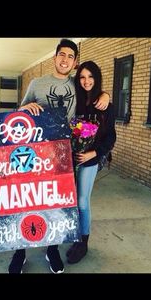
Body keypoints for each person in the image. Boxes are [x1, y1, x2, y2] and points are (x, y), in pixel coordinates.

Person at [8, 39, 110, 274]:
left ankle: (51, 249)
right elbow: (17, 115)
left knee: (56, 202)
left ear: (74, 63)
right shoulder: (37, 83)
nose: (65, 59)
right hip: (35, 154)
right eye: (61, 55)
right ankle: (20, 252)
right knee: (28, 201)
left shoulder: (77, 84)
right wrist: (24, 109)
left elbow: (91, 86)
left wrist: (104, 95)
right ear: (55, 58)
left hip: (63, 155)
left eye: (70, 56)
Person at [66, 60, 116, 264]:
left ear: (97, 78)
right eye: (82, 77)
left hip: (89, 159)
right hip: (68, 158)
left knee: (82, 201)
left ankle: (83, 242)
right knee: (68, 201)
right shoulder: (74, 101)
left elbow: (111, 137)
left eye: (91, 76)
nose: (87, 81)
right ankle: (72, 234)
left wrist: (93, 154)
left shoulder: (105, 105)